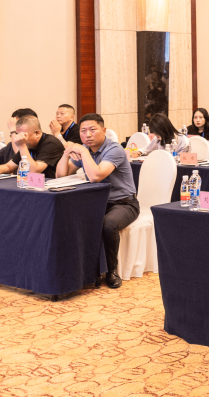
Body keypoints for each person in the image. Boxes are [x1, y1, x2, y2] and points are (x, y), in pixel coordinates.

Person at [55, 113, 138, 288]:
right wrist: (66, 153)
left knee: (108, 224)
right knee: (72, 218)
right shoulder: (87, 150)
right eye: (83, 131)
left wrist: (83, 151)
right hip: (98, 203)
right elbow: (61, 175)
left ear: (104, 130)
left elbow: (96, 176)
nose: (88, 135)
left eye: (92, 130)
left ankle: (111, 271)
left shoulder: (114, 149)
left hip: (124, 203)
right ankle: (84, 270)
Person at [0, 115, 64, 178]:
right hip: (29, 185)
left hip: (48, 188)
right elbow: (9, 166)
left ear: (37, 133)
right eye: (18, 134)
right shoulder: (26, 144)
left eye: (24, 135)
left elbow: (34, 170)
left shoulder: (50, 143)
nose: (19, 138)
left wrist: (22, 146)